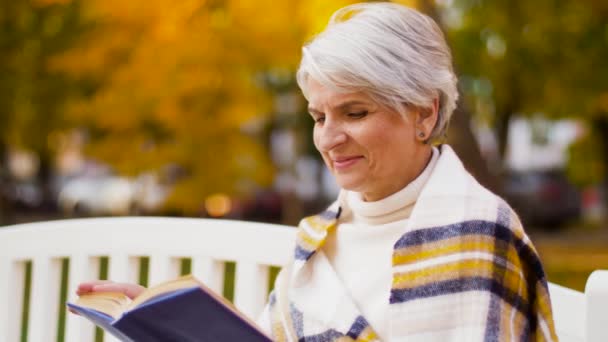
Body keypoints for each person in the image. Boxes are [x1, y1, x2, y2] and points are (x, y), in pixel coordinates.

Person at [76, 3, 557, 341]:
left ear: (424, 114)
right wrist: (177, 328)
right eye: (318, 117)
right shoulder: (316, 240)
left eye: (355, 113)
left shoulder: (478, 233)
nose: (328, 138)